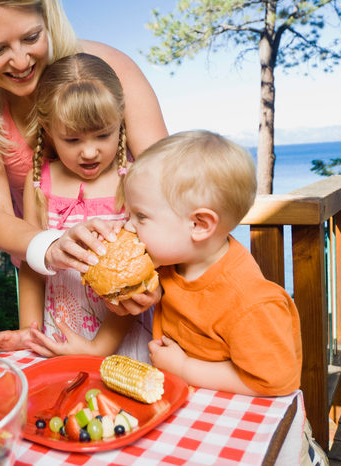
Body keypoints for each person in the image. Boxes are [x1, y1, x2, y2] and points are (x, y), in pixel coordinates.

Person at [0, 0, 168, 278]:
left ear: (47, 18)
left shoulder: (109, 69)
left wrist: (144, 266)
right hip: (48, 276)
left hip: (140, 263)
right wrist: (50, 246)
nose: (21, 61)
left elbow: (166, 182)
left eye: (31, 37)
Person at [0, 54, 153, 361]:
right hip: (61, 337)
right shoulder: (40, 184)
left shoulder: (132, 182)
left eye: (103, 135)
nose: (89, 151)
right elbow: (31, 267)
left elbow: (132, 280)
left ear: (120, 122)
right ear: (48, 129)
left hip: (121, 342)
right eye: (72, 139)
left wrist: (98, 348)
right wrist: (29, 331)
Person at [120, 131, 302, 396]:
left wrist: (183, 367)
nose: (128, 225)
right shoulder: (175, 259)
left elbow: (276, 381)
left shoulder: (249, 302)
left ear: (199, 225)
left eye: (141, 216)